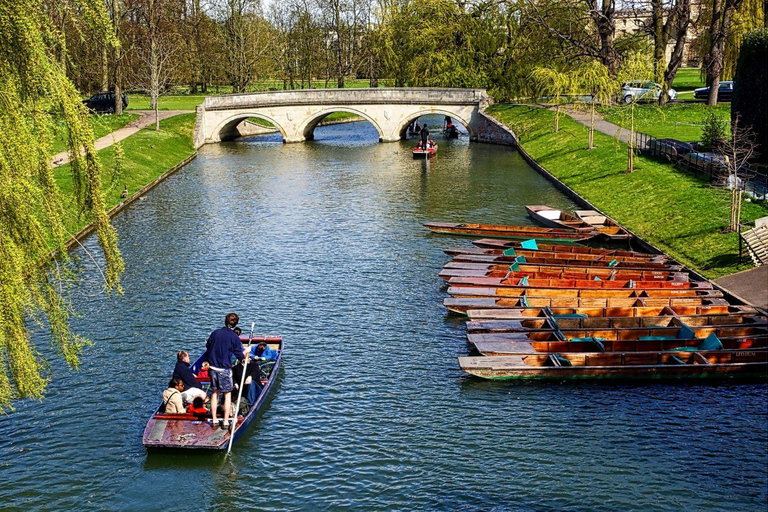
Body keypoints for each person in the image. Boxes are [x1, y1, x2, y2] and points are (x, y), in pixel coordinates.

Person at [204, 312, 246, 429]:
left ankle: (214, 419)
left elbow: (208, 345)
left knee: (214, 392)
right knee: (227, 394)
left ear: (225, 321)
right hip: (224, 369)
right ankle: (226, 421)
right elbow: (238, 353)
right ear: (235, 324)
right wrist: (244, 359)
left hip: (212, 367)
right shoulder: (234, 337)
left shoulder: (215, 333)